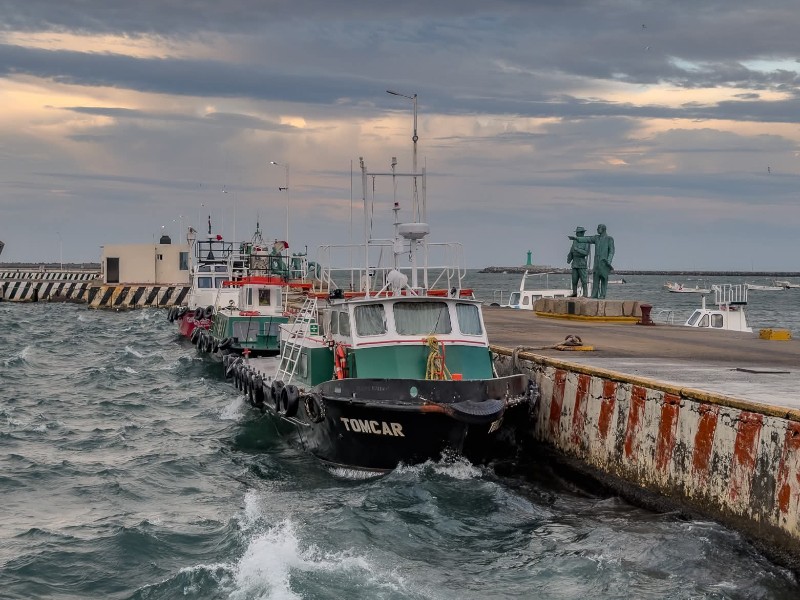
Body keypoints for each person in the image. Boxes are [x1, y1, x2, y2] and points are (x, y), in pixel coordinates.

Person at [569, 224, 615, 299]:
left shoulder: (609, 239)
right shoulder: (596, 238)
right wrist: (576, 238)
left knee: (604, 279)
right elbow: (587, 239)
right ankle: (594, 294)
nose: (597, 229)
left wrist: (608, 261)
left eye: (598, 228)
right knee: (596, 278)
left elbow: (611, 251)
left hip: (604, 262)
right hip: (596, 263)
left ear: (603, 229)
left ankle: (603, 294)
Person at [567, 226, 590, 297]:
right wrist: (569, 258)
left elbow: (586, 253)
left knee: (584, 280)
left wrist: (577, 249)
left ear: (582, 233)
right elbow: (571, 250)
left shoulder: (586, 241)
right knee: (574, 280)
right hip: (575, 263)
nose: (576, 234)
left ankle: (585, 294)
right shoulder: (575, 241)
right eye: (576, 232)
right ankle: (574, 293)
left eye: (578, 232)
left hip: (582, 263)